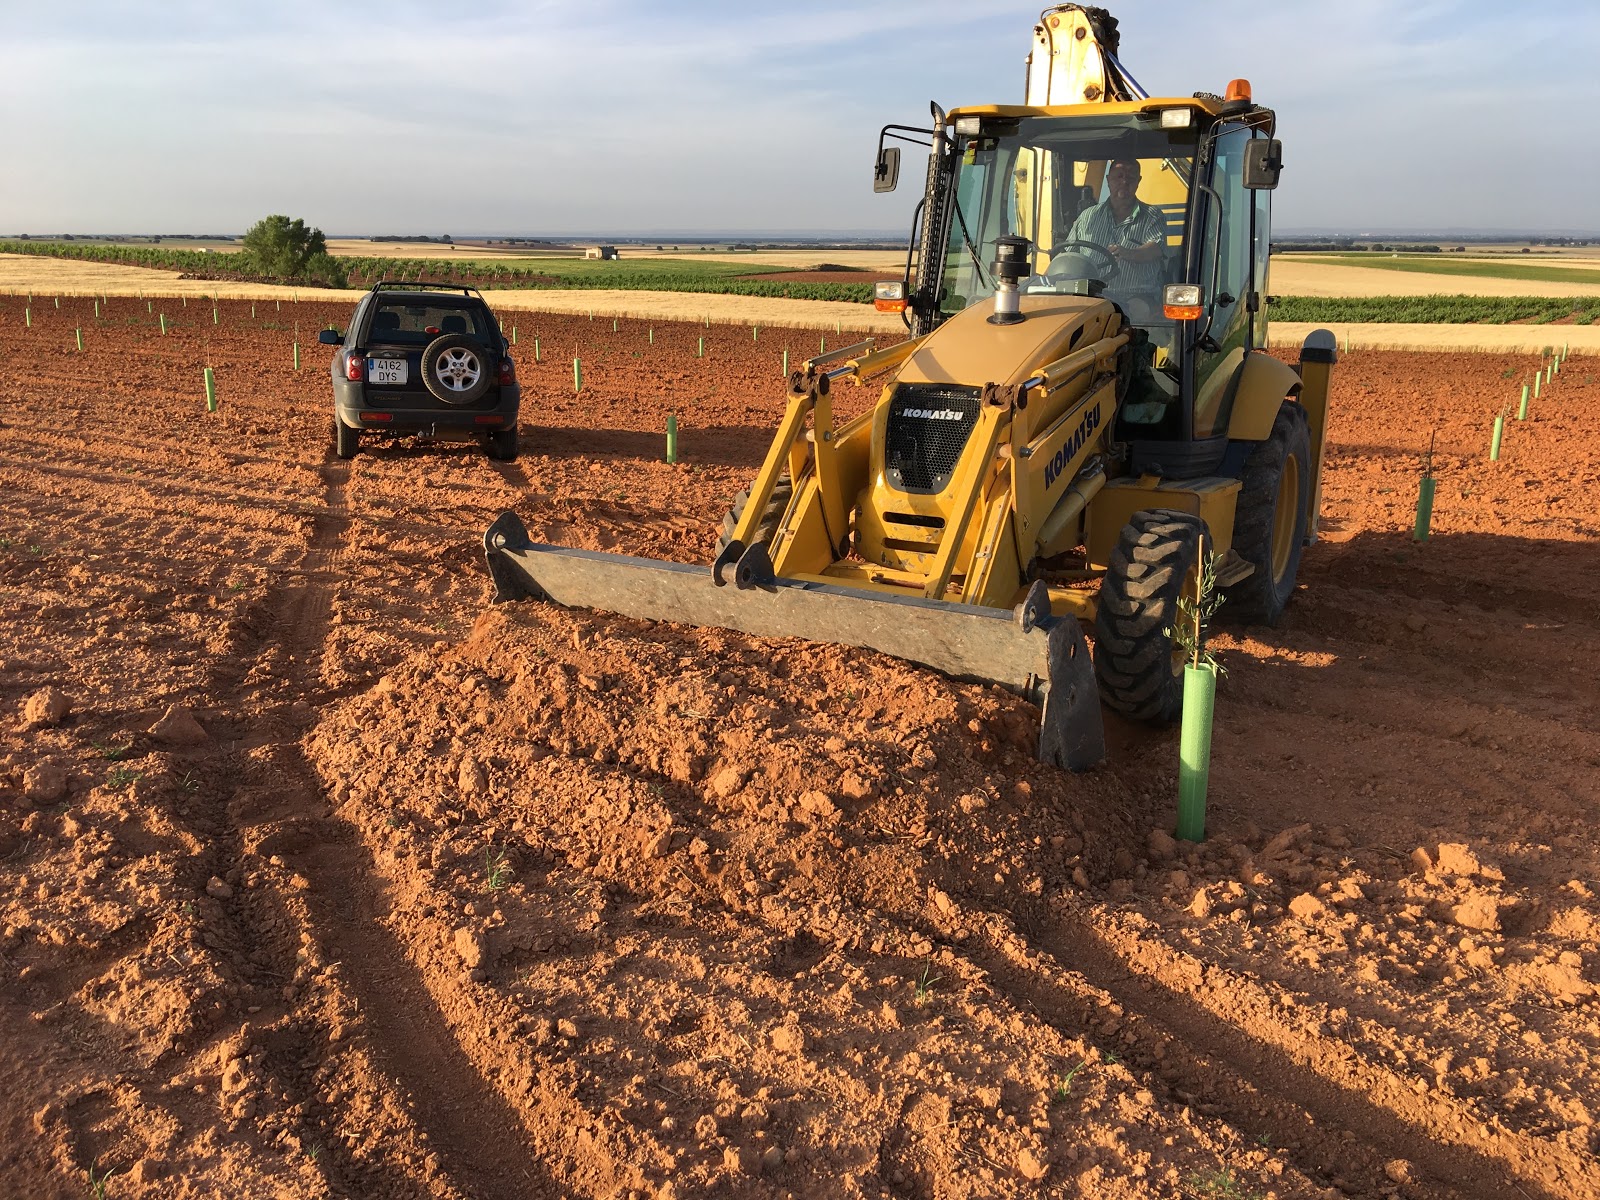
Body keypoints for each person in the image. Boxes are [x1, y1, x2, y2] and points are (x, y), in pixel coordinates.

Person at [1054, 158, 1167, 322]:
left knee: (1128, 315)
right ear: (1108, 180)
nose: (1124, 182)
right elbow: (1069, 256)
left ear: (1138, 181)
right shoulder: (1088, 217)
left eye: (1131, 177)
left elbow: (1155, 249)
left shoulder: (1152, 216)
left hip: (1138, 296)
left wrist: (1129, 253)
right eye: (1119, 176)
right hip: (1093, 294)